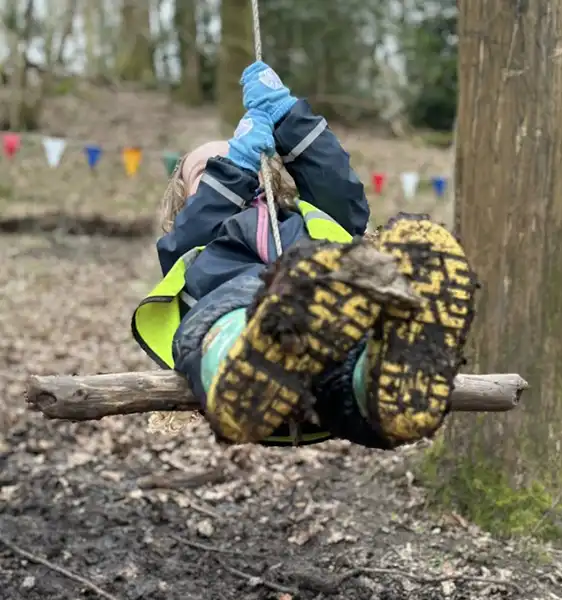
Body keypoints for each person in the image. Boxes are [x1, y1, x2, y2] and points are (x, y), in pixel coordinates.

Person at [131, 61, 478, 449]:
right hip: (230, 317)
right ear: (182, 201)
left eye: (230, 160)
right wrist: (236, 164)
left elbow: (342, 199)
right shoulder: (191, 239)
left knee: (349, 354)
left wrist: (288, 116)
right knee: (231, 331)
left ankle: (383, 380)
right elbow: (197, 224)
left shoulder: (303, 218)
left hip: (324, 341)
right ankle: (249, 373)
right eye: (208, 171)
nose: (226, 169)